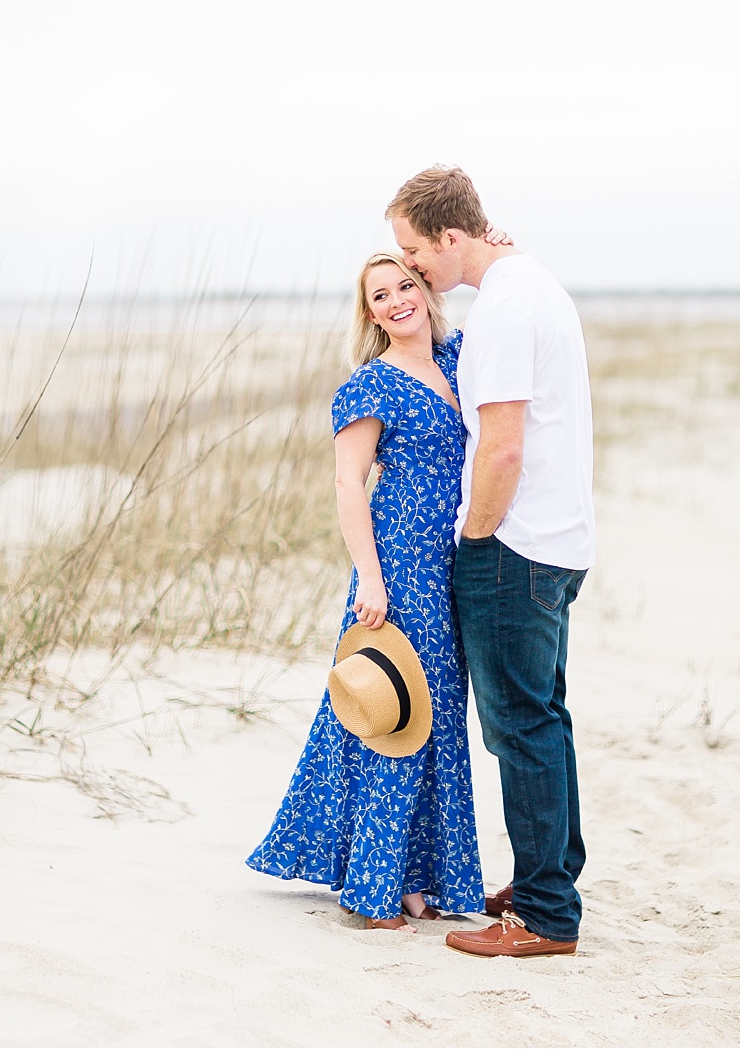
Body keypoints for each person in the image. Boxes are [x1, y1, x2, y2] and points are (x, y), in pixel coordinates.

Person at [385, 164, 593, 959]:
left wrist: (476, 536)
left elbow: (502, 446)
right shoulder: (529, 281)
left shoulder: (505, 309)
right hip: (559, 539)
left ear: (452, 236)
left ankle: (543, 915)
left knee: (520, 730)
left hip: (515, 547)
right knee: (545, 719)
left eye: (415, 249)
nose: (410, 268)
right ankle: (551, 880)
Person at [247, 252, 485, 929]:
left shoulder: (462, 357)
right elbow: (348, 484)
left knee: (438, 714)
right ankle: (376, 887)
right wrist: (372, 580)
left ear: (426, 289)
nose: (396, 300)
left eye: (405, 285)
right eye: (380, 295)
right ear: (370, 313)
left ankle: (419, 879)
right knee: (395, 715)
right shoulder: (369, 385)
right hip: (401, 565)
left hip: (454, 563)